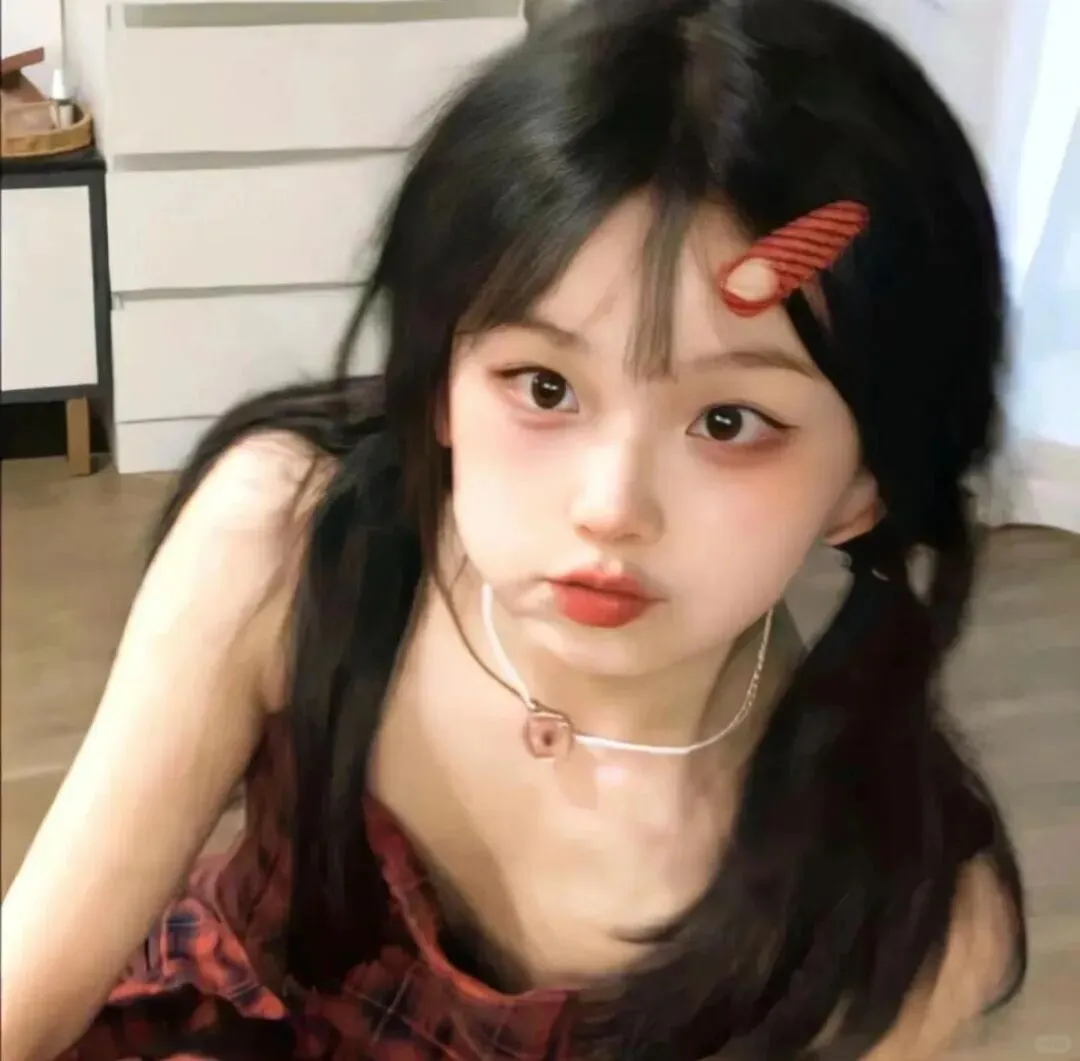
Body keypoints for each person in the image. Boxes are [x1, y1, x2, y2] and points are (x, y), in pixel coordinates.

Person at [0, 0, 1027, 1058]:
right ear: (441, 381)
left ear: (867, 481)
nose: (611, 505)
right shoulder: (290, 542)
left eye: (728, 421)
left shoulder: (902, 920)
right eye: (543, 385)